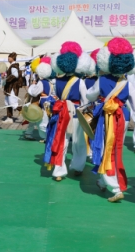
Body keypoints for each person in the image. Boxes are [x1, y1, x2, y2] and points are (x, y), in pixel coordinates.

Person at [87, 37, 135, 202]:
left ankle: (116, 187)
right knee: (116, 149)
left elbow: (90, 95)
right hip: (123, 118)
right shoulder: (129, 83)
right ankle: (102, 182)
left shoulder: (102, 80)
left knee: (107, 150)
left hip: (107, 118)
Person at [43, 42, 91, 181]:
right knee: (78, 143)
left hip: (61, 114)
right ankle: (78, 167)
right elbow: (85, 101)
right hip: (76, 114)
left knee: (61, 142)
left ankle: (58, 171)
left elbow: (53, 97)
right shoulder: (80, 81)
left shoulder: (55, 81)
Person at [24, 57, 54, 142]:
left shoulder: (41, 82)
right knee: (35, 117)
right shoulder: (49, 81)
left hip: (42, 102)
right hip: (48, 101)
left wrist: (32, 86)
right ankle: (29, 133)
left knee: (41, 121)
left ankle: (47, 137)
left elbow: (34, 92)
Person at [3, 52, 22, 124]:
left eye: (9, 57)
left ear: (13, 58)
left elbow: (15, 75)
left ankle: (24, 111)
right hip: (9, 87)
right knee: (8, 102)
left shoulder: (14, 66)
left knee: (12, 103)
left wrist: (7, 79)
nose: (8, 58)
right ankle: (9, 117)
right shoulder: (12, 65)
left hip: (12, 87)